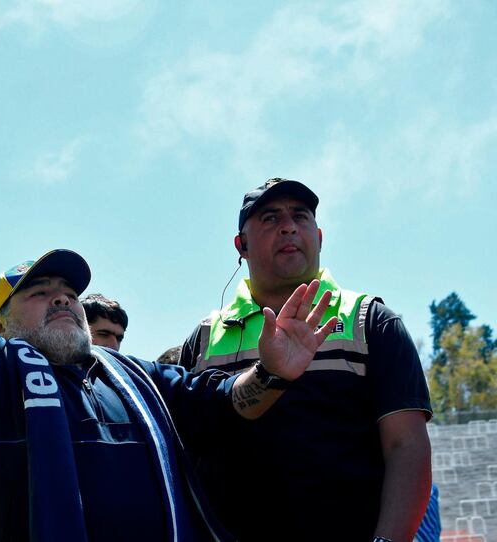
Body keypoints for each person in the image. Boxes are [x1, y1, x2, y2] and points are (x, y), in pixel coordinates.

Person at [0, 49, 340, 541]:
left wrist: (271, 373)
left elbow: (226, 404)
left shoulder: (141, 381)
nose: (61, 298)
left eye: (68, 291)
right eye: (39, 291)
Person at [179, 178, 433, 542]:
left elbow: (405, 445)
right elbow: (187, 453)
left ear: (319, 236)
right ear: (241, 245)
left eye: (300, 216)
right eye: (269, 218)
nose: (288, 226)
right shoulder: (204, 338)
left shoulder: (371, 321)